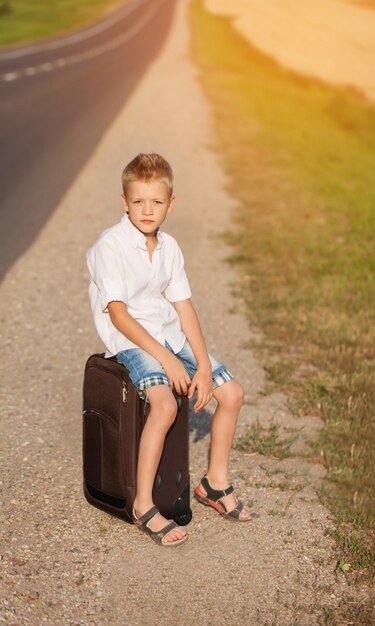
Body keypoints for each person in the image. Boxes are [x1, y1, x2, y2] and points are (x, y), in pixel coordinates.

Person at [86, 153, 252, 547]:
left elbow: (183, 308)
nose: (148, 210)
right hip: (131, 338)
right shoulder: (110, 246)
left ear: (170, 204)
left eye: (156, 202)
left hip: (167, 334)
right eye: (139, 201)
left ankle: (214, 483)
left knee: (232, 393)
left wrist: (203, 365)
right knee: (164, 404)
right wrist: (167, 359)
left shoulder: (170, 247)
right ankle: (143, 504)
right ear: (124, 201)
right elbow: (118, 315)